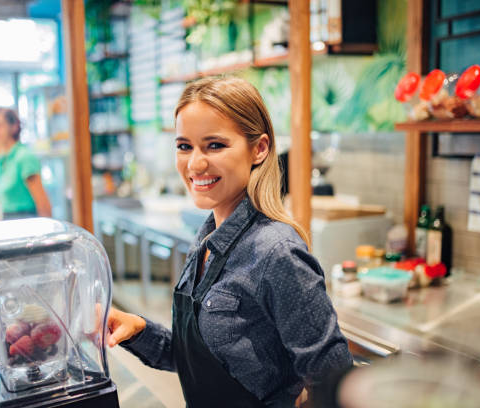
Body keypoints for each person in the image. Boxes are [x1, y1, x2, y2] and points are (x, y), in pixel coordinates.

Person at [106, 77, 352, 407]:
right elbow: (203, 363)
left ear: (259, 148)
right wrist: (137, 330)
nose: (195, 164)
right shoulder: (205, 241)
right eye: (184, 146)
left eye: (215, 145)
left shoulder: (277, 253)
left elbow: (334, 384)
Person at [0, 107, 52, 218]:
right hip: (7, 221)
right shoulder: (2, 157)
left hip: (24, 223)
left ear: (14, 127)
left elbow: (43, 204)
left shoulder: (24, 157)